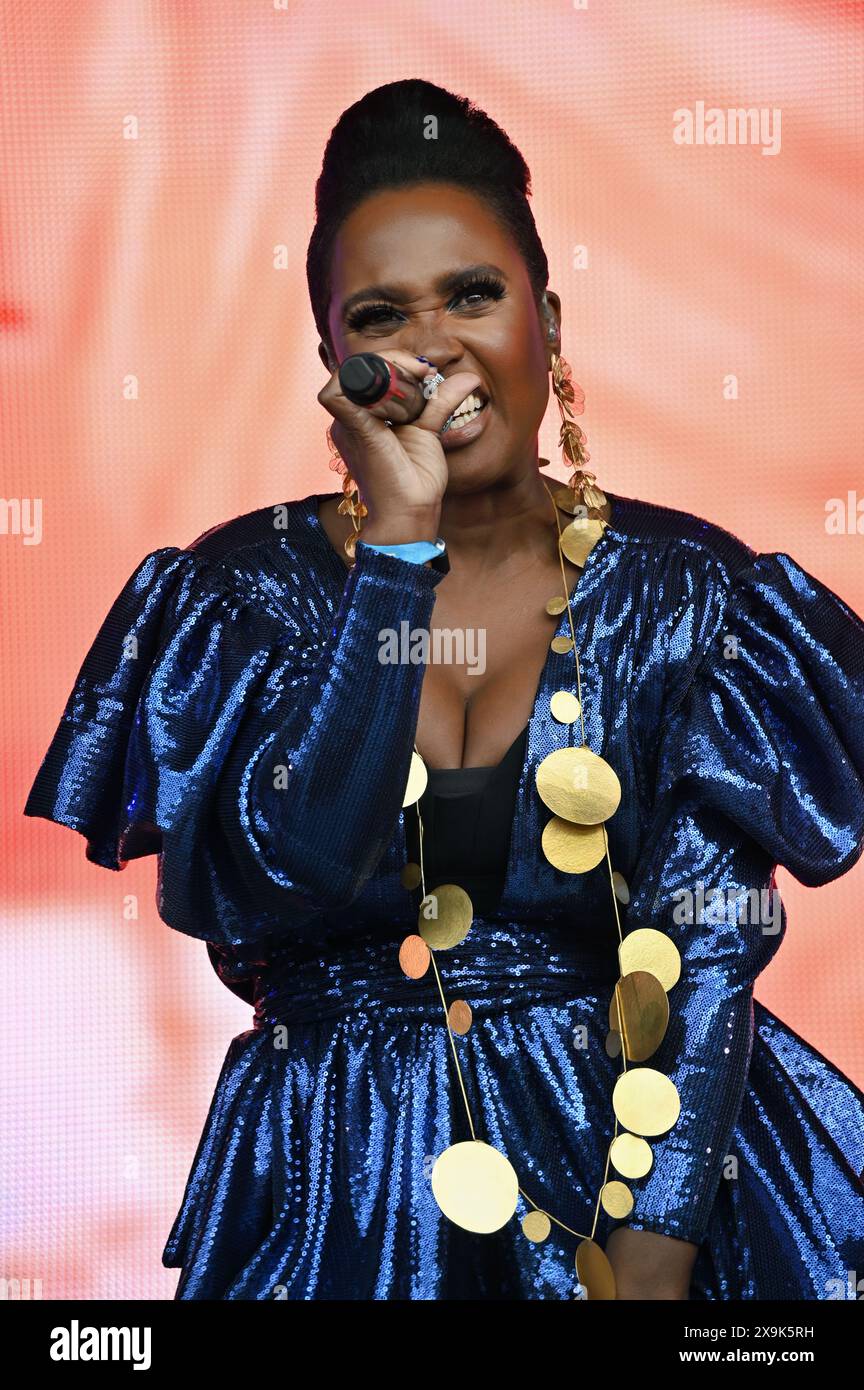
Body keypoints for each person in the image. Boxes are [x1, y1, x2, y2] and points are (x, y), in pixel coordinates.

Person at [24, 79, 864, 1301]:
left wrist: (654, 1251)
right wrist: (400, 556)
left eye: (474, 293)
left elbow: (709, 940)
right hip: (339, 1193)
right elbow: (305, 861)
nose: (434, 342)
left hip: (647, 1175)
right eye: (382, 314)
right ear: (334, 363)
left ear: (550, 322)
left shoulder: (694, 590)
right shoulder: (233, 599)